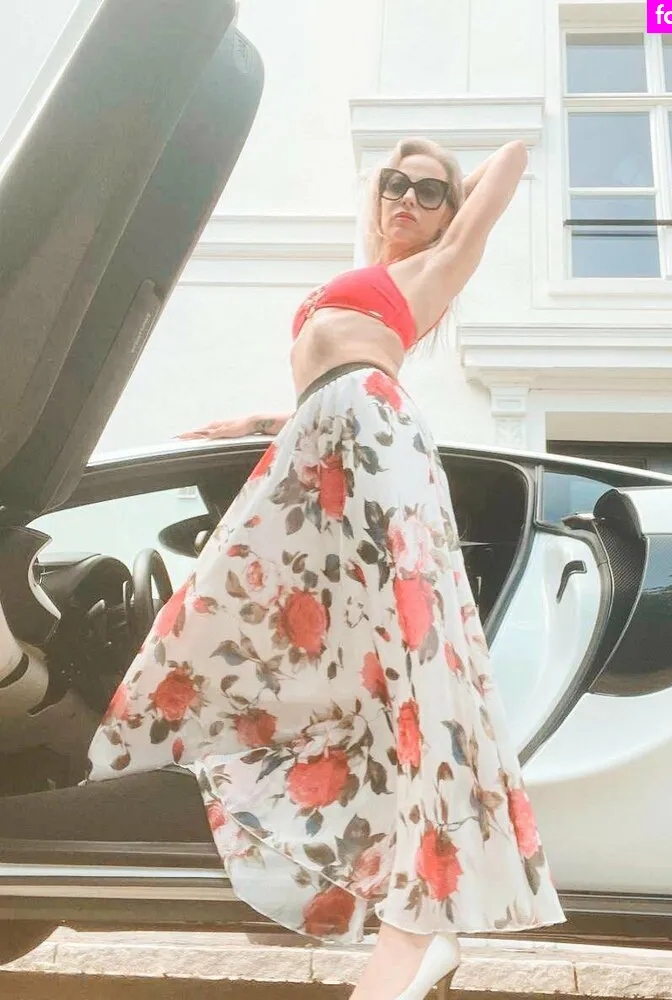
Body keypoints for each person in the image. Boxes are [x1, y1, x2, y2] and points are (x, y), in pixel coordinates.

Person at [86, 136, 565, 1000]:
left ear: (450, 216)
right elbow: (330, 379)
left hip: (376, 436)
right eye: (396, 183)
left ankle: (422, 922)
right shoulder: (370, 276)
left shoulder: (436, 268)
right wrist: (260, 422)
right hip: (322, 438)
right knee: (255, 611)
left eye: (430, 191)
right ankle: (408, 907)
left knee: (417, 658)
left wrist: (460, 189)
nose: (408, 198)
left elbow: (512, 160)